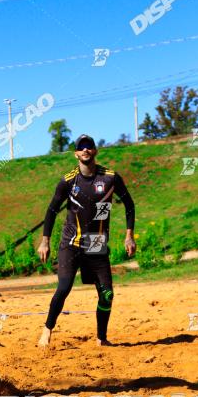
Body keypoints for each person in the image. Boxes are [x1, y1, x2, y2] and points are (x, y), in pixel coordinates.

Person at [37, 134, 136, 347]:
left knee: (107, 294)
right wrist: (44, 241)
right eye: (81, 147)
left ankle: (101, 338)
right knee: (63, 288)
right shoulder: (68, 181)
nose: (85, 150)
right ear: (75, 153)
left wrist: (129, 236)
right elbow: (52, 210)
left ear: (95, 151)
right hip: (71, 241)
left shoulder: (110, 178)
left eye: (89, 146)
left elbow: (129, 204)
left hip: (95, 242)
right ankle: (47, 329)